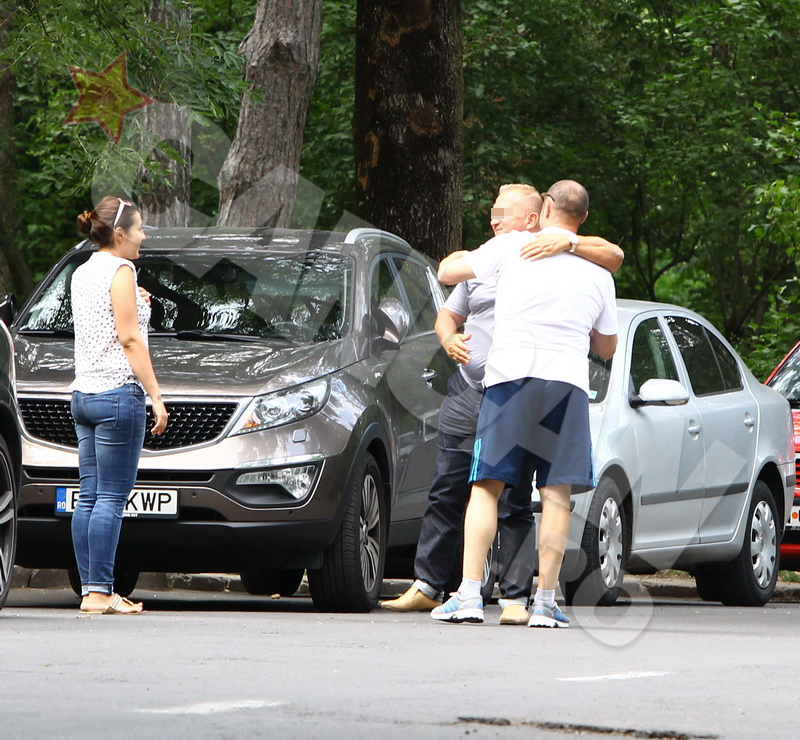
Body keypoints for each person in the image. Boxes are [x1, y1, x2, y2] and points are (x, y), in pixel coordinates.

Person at [382, 183, 622, 625]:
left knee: (486, 487)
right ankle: (544, 603)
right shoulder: (599, 273)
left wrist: (473, 255)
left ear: (544, 210)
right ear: (584, 219)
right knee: (555, 495)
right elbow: (606, 348)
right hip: (566, 385)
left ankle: (469, 595)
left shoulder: (512, 246)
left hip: (510, 380)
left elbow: (449, 272)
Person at [71, 196, 168, 615]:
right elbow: (129, 339)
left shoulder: (83, 271)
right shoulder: (122, 270)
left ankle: (90, 591)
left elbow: (104, 321)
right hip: (116, 394)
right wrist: (156, 396)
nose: (143, 236)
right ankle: (100, 593)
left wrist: (138, 303)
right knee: (111, 497)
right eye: (140, 229)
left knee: (89, 497)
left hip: (83, 396)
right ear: (120, 233)